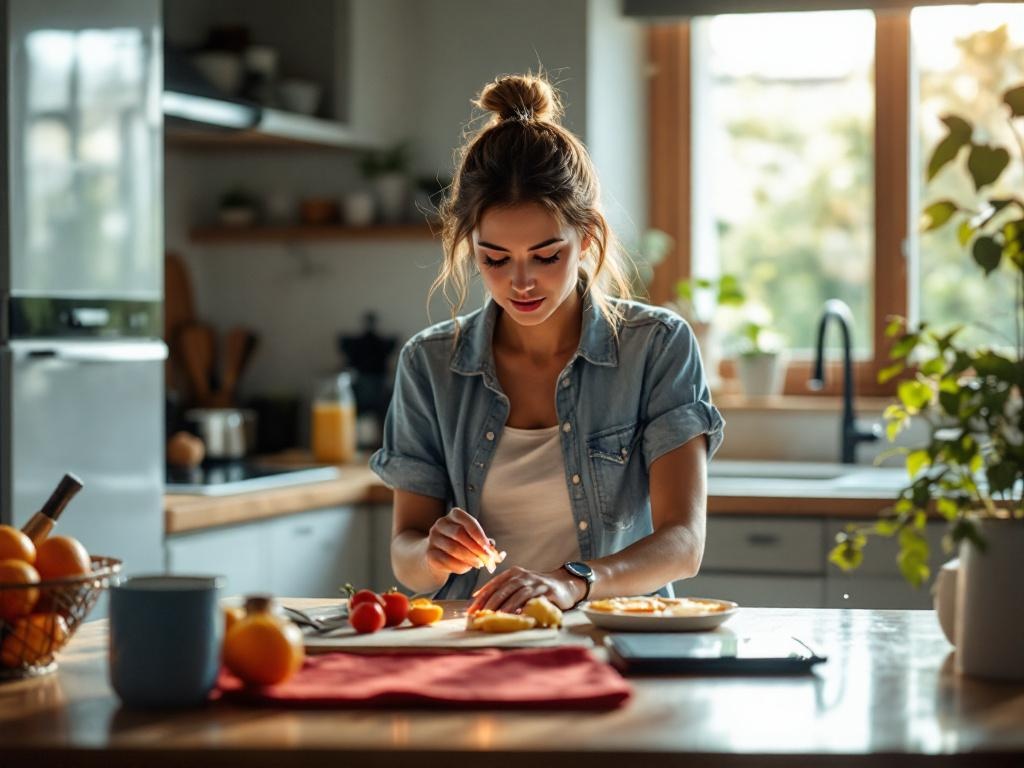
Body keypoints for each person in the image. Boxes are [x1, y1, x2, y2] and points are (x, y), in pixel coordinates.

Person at [370, 73, 724, 614]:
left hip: (616, 636)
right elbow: (406, 556)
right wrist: (433, 553)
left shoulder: (656, 347)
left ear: (585, 239)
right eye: (495, 259)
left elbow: (683, 544)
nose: (522, 282)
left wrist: (572, 581)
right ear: (471, 248)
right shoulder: (429, 362)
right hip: (481, 636)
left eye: (546, 255)